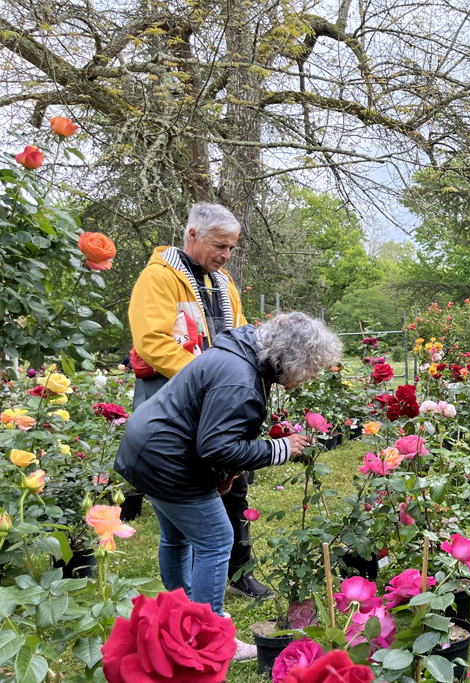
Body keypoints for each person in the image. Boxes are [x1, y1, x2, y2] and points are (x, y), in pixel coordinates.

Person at [115, 312, 339, 659]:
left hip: (148, 447)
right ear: (291, 357)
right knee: (217, 540)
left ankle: (181, 618)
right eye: (312, 366)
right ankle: (209, 635)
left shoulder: (241, 352)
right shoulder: (240, 379)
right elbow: (216, 446)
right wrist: (281, 447)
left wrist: (225, 471)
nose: (314, 375)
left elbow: (213, 433)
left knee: (176, 537)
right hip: (167, 460)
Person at [127, 202, 269, 603]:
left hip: (217, 401)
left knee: (234, 485)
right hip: (175, 402)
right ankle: (190, 602)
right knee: (180, 513)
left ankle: (237, 572)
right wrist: (209, 380)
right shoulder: (158, 278)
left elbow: (242, 338)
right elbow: (153, 342)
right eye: (220, 246)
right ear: (192, 235)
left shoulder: (223, 283)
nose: (226, 256)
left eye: (231, 248)